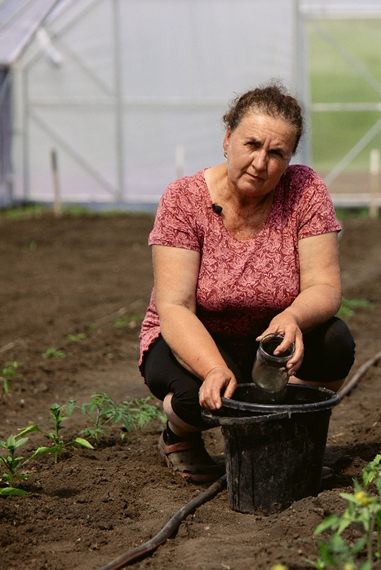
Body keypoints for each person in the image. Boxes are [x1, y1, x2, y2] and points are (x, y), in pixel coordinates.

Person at [138, 83, 355, 483]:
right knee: (200, 398)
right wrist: (214, 369)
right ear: (227, 139)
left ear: (290, 158)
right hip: (195, 334)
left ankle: (285, 435)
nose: (260, 162)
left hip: (265, 342)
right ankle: (179, 435)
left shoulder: (305, 191)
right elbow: (175, 306)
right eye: (251, 144)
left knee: (334, 342)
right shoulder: (184, 199)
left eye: (277, 154)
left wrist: (291, 317)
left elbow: (324, 287)